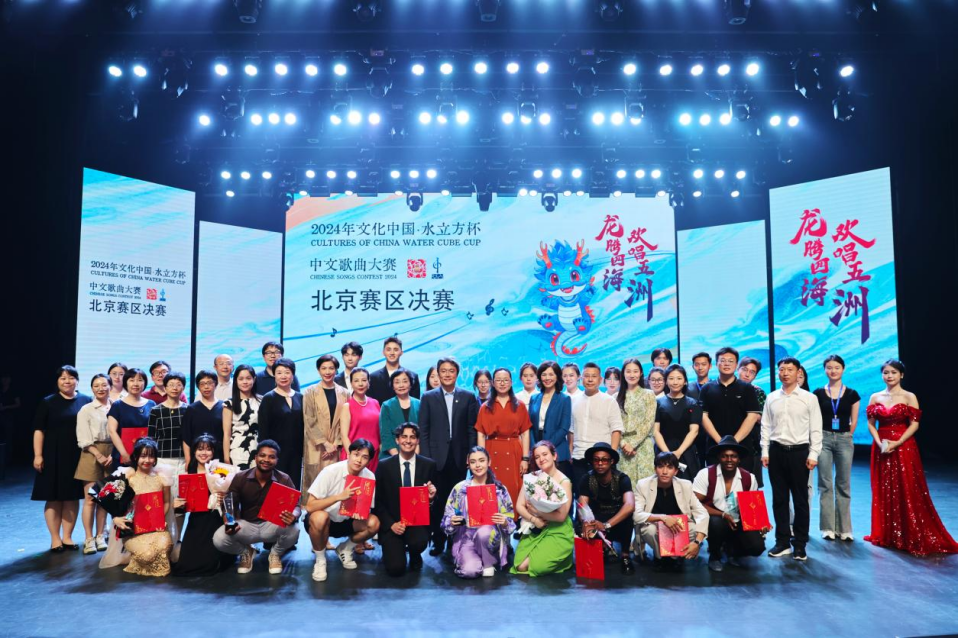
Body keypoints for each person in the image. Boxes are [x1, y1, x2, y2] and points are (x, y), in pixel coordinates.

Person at [864, 359, 958, 555]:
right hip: (881, 446)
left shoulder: (909, 396)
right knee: (883, 489)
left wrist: (897, 442)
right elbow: (871, 424)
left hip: (904, 446)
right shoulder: (875, 396)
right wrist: (880, 443)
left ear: (901, 375)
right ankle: (888, 534)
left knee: (907, 488)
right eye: (886, 372)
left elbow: (914, 425)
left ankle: (909, 533)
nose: (889, 376)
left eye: (893, 372)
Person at [761, 357, 822, 561]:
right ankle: (782, 542)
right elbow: (766, 426)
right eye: (782, 369)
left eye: (790, 369)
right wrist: (765, 451)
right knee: (779, 499)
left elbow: (816, 428)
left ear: (798, 373)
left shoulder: (809, 398)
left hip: (799, 453)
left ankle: (800, 544)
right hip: (776, 452)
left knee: (800, 500)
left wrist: (814, 454)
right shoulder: (771, 397)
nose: (785, 373)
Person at [418, 357, 480, 555]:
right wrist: (426, 459)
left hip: (459, 457)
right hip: (435, 458)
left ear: (457, 374)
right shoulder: (428, 397)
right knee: (437, 501)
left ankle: (455, 540)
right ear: (438, 373)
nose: (447, 374)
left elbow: (471, 429)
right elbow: (424, 430)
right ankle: (438, 540)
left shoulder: (468, 397)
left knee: (457, 501)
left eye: (451, 371)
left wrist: (471, 455)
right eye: (443, 371)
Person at [212, 440, 302, 575]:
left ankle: (275, 554)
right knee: (219, 539)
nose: (266, 460)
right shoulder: (240, 477)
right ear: (255, 457)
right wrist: (228, 521)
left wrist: (294, 515)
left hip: (272, 525)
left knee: (294, 530)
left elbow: (297, 505)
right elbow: (229, 503)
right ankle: (246, 552)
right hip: (246, 525)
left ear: (277, 460)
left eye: (271, 457)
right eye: (262, 455)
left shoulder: (284, 479)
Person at [32, 365, 91, 552]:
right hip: (52, 455)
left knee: (72, 497)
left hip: (77, 455)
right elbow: (39, 430)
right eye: (63, 378)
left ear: (77, 381)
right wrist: (38, 455)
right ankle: (55, 539)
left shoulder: (86, 400)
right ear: (57, 381)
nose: (67, 381)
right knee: (54, 497)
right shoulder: (48, 402)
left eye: (71, 377)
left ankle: (67, 537)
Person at [305, 439, 381, 581]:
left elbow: (367, 508)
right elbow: (309, 506)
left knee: (373, 523)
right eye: (356, 454)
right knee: (319, 517)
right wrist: (338, 497)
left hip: (347, 521)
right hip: (325, 521)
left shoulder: (369, 476)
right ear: (348, 454)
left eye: (364, 457)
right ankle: (320, 560)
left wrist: (360, 511)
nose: (359, 460)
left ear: (369, 461)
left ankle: (345, 548)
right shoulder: (330, 471)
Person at [693, 436, 768, 572]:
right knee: (716, 523)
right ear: (719, 458)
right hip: (714, 519)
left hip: (738, 519)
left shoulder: (749, 478)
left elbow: (753, 509)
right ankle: (715, 556)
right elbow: (694, 504)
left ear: (739, 459)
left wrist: (761, 524)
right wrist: (722, 514)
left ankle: (733, 550)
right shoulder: (705, 474)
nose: (729, 460)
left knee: (757, 547)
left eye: (733, 456)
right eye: (724, 456)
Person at [441, 446, 516, 579]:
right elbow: (446, 519)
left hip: (491, 537)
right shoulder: (460, 489)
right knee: (469, 572)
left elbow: (510, 520)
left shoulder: (499, 489)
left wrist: (504, 522)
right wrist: (451, 522)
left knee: (484, 532)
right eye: (473, 462)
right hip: (467, 537)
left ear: (489, 462)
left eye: (481, 460)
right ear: (468, 464)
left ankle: (488, 562)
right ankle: (476, 560)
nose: (478, 465)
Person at [374, 423, 438, 577]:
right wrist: (391, 524)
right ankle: (394, 550)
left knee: (419, 542)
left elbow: (436, 501)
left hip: (417, 523)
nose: (408, 441)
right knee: (396, 569)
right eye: (404, 437)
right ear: (397, 440)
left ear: (417, 441)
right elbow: (378, 501)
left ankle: (415, 554)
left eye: (412, 437)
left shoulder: (429, 465)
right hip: (393, 523)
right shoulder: (384, 466)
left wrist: (431, 499)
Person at [633, 452, 708, 571]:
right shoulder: (643, 485)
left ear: (676, 471)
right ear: (655, 469)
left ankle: (677, 555)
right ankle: (660, 557)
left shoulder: (685, 485)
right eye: (660, 466)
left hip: (678, 525)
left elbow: (702, 513)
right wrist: (663, 518)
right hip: (655, 524)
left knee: (694, 528)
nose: (664, 471)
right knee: (650, 530)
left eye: (669, 467)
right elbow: (636, 515)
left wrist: (697, 542)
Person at [110, 437, 175, 576]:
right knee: (147, 555)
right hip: (134, 530)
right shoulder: (128, 478)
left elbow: (166, 502)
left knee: (165, 547)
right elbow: (114, 503)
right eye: (143, 456)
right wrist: (116, 518)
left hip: (157, 528)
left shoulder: (162, 478)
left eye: (151, 456)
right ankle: (136, 561)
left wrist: (160, 518)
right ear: (136, 457)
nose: (147, 460)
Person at [813, 355, 861, 542]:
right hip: (823, 438)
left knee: (843, 483)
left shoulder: (852, 394)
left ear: (843, 369)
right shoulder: (818, 393)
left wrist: (846, 435)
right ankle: (827, 527)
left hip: (844, 439)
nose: (833, 371)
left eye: (836, 367)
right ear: (825, 370)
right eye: (829, 367)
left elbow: (854, 420)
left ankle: (845, 528)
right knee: (825, 484)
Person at [172, 434, 232, 576]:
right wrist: (179, 503)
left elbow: (231, 498)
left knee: (210, 562)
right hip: (195, 519)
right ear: (194, 451)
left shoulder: (221, 470)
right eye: (200, 449)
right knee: (185, 564)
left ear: (213, 452)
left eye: (208, 449)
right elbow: (184, 502)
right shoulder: (189, 471)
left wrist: (224, 497)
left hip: (215, 518)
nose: (204, 453)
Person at [512, 440, 574, 576]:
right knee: (520, 566)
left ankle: (564, 557)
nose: (541, 459)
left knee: (536, 567)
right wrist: (534, 519)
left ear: (554, 456)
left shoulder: (564, 481)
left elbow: (561, 516)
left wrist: (537, 512)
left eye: (545, 454)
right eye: (537, 457)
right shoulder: (532, 477)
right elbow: (519, 506)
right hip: (536, 526)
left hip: (557, 529)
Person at [700, 347, 762, 477]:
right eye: (723, 360)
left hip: (742, 448)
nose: (726, 364)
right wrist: (721, 443)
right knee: (714, 485)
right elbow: (703, 417)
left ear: (736, 364)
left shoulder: (747, 388)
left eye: (730, 361)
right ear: (716, 364)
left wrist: (733, 442)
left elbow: (751, 417)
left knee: (744, 485)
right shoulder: (707, 388)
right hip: (714, 448)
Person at [475, 367, 531, 508]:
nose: (502, 383)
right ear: (493, 383)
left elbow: (525, 433)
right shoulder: (485, 407)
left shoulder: (520, 405)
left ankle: (514, 518)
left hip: (514, 451)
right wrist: (481, 459)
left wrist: (525, 458)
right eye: (498, 380)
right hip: (492, 450)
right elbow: (481, 434)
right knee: (492, 487)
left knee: (514, 486)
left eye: (505, 380)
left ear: (511, 382)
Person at [576, 442, 635, 573]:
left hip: (615, 519)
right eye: (596, 460)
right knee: (579, 525)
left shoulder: (622, 478)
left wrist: (606, 525)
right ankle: (600, 549)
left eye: (604, 460)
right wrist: (586, 522)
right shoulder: (586, 478)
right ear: (592, 462)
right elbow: (582, 505)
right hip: (595, 518)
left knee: (628, 518)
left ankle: (625, 555)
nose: (600, 463)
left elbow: (630, 505)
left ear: (611, 461)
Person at [571, 363, 625, 499]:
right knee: (580, 498)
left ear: (600, 380)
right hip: (578, 457)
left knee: (602, 498)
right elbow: (571, 431)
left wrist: (611, 456)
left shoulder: (609, 401)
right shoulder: (574, 400)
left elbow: (616, 430)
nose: (590, 379)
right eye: (587, 376)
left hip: (601, 459)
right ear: (581, 378)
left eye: (594, 376)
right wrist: (570, 452)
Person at [75, 373, 113, 554]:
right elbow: (83, 438)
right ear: (91, 388)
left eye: (104, 385)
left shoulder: (116, 406)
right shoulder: (86, 409)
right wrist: (98, 455)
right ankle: (88, 538)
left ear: (110, 386)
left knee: (105, 499)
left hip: (111, 453)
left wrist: (112, 454)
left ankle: (100, 535)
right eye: (96, 385)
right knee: (91, 498)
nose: (100, 388)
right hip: (91, 453)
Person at [147, 371, 188, 539]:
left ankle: (177, 538)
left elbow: (189, 437)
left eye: (178, 384)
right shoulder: (156, 410)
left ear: (183, 387)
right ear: (165, 387)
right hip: (162, 461)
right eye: (171, 384)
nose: (174, 388)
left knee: (181, 502)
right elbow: (151, 438)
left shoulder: (188, 409)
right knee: (163, 500)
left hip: (183, 460)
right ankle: (162, 537)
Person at [303, 355, 349, 498]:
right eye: (324, 368)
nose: (327, 372)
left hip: (336, 446)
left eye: (331, 368)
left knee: (334, 483)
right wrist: (325, 443)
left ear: (336, 370)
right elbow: (309, 420)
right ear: (318, 370)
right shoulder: (310, 392)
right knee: (313, 484)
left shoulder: (345, 393)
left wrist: (335, 444)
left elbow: (346, 420)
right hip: (316, 445)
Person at [258, 358, 305, 488]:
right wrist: (266, 454)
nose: (283, 376)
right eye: (279, 373)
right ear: (274, 375)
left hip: (296, 452)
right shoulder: (268, 398)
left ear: (293, 375)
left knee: (294, 486)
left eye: (287, 372)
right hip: (275, 454)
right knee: (276, 487)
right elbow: (263, 429)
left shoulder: (300, 397)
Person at [653, 364, 702, 481]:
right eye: (671, 378)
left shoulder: (693, 403)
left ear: (685, 381)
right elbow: (655, 431)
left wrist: (678, 452)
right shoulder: (657, 403)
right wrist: (667, 454)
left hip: (686, 452)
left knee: (687, 485)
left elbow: (694, 431)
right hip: (663, 451)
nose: (675, 382)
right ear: (666, 381)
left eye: (679, 378)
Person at [616, 358, 657, 495]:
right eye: (628, 371)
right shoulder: (616, 396)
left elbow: (648, 422)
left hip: (643, 445)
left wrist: (632, 444)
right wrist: (623, 444)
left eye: (635, 371)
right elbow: (614, 424)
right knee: (625, 487)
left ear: (641, 373)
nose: (632, 374)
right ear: (623, 374)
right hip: (623, 448)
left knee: (646, 487)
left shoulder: (648, 394)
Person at [528, 361, 573, 478]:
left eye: (551, 374)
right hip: (537, 450)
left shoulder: (564, 399)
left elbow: (564, 428)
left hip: (557, 450)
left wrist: (546, 447)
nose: (547, 378)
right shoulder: (534, 398)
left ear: (557, 376)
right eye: (544, 374)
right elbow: (530, 426)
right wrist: (535, 449)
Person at [107, 368, 155, 464]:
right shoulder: (117, 405)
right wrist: (124, 454)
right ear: (125, 383)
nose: (136, 384)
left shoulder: (151, 404)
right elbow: (112, 431)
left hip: (146, 457)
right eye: (132, 380)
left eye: (140, 380)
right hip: (122, 454)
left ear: (145, 383)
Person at [339, 367, 382, 473]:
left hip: (373, 456)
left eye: (364, 380)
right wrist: (352, 456)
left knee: (372, 483)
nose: (360, 384)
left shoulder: (375, 403)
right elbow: (344, 436)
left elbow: (378, 432)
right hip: (355, 457)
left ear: (368, 383)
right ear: (351, 384)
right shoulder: (347, 406)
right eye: (356, 381)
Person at [222, 364, 261, 469]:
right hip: (236, 451)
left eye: (248, 378)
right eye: (241, 379)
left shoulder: (261, 401)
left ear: (254, 379)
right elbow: (226, 434)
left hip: (258, 449)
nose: (245, 382)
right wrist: (226, 458)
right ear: (235, 381)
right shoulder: (229, 403)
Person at [181, 370, 224, 466]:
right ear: (198, 387)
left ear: (216, 384)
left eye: (209, 383)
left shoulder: (224, 407)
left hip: (220, 457)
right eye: (202, 384)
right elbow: (186, 437)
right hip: (197, 458)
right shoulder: (191, 409)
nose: (206, 387)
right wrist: (188, 460)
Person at [736, 357, 767, 487]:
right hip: (729, 444)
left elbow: (761, 417)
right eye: (744, 369)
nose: (747, 374)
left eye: (752, 372)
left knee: (751, 486)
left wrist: (751, 416)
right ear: (738, 369)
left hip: (752, 446)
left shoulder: (758, 392)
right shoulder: (726, 389)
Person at [378, 368, 420, 459]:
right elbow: (385, 435)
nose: (401, 385)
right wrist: (398, 458)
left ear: (410, 384)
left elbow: (422, 433)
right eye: (397, 382)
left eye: (405, 381)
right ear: (393, 386)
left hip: (416, 453)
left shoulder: (419, 404)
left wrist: (415, 456)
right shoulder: (386, 406)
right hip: (392, 455)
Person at [368, 336, 421, 404]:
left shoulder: (413, 376)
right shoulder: (373, 378)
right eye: (388, 349)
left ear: (401, 353)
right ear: (383, 352)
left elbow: (415, 405)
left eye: (395, 350)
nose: (392, 353)